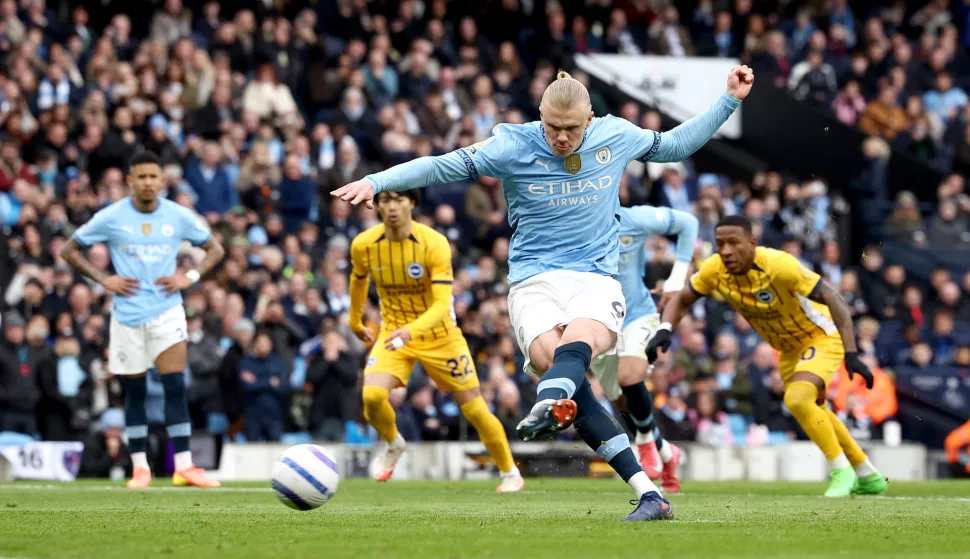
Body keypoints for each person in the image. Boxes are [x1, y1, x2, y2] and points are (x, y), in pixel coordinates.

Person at [334, 65, 755, 520]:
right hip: (532, 281)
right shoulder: (512, 144)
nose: (561, 138)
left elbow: (675, 145)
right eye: (552, 128)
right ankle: (649, 493)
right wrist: (378, 181)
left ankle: (545, 404)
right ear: (540, 116)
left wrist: (728, 99)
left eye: (571, 129)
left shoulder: (616, 135)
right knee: (563, 375)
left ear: (590, 118)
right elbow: (441, 165)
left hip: (594, 277)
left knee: (576, 348)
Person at [648, 215, 888, 497]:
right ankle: (867, 474)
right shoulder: (715, 269)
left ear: (752, 243)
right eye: (720, 244)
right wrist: (664, 329)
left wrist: (852, 352)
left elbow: (834, 298)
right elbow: (683, 298)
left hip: (819, 337)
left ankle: (841, 471)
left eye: (734, 243)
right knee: (814, 410)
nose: (725, 251)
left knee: (797, 399)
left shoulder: (780, 265)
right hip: (786, 350)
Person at [60, 151, 225, 489]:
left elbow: (216, 249)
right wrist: (102, 279)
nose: (148, 182)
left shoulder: (178, 215)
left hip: (166, 310)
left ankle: (184, 467)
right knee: (134, 391)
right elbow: (69, 250)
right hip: (127, 314)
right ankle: (140, 469)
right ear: (130, 180)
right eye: (142, 177)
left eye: (154, 176)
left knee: (175, 386)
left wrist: (188, 276)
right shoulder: (111, 216)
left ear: (162, 180)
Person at [348, 189, 524, 492]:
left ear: (412, 203)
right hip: (393, 332)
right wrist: (355, 320)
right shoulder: (364, 244)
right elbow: (358, 279)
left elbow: (443, 304)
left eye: (399, 199)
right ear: (375, 205)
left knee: (474, 409)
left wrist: (411, 331)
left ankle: (510, 472)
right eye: (385, 200)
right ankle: (393, 443)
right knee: (372, 397)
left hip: (440, 336)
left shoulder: (434, 243)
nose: (392, 207)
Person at [589, 204, 698, 493]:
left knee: (629, 377)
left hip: (637, 315)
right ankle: (666, 453)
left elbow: (688, 223)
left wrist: (676, 280)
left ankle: (646, 443)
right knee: (623, 402)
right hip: (598, 323)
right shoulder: (571, 224)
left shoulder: (632, 218)